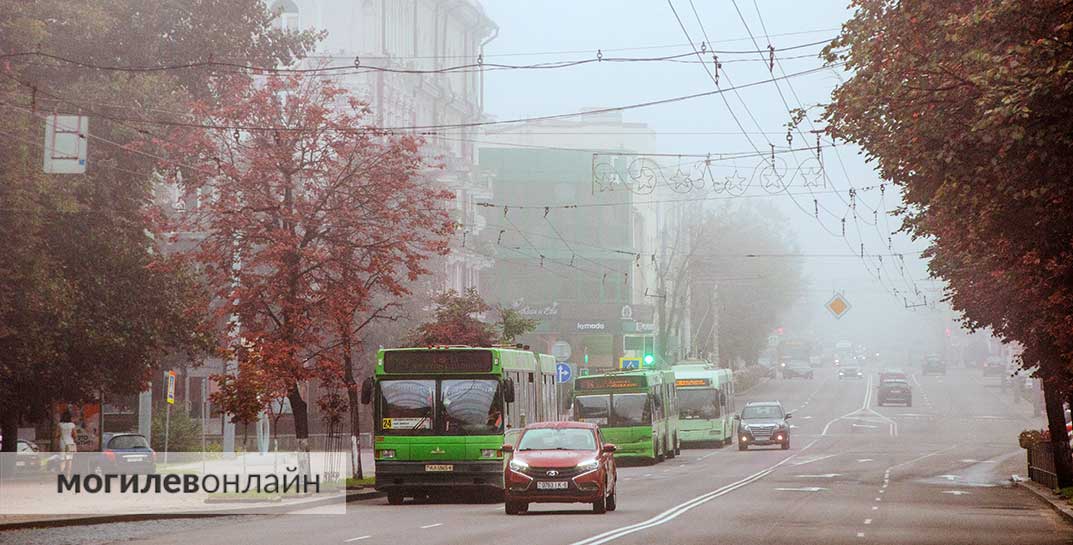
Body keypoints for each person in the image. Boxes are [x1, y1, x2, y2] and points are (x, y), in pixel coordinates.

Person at [59, 410, 76, 476]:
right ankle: (68, 476)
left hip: (62, 443)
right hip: (70, 443)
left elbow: (56, 434)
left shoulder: (60, 425)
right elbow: (75, 435)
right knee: (69, 459)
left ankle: (62, 475)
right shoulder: (72, 425)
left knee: (62, 459)